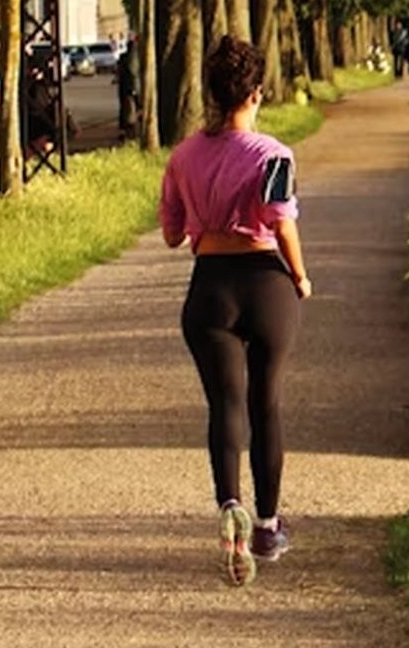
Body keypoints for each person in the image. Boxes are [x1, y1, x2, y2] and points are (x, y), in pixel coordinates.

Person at [159, 36, 311, 586]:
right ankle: (269, 527)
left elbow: (174, 234)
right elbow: (279, 219)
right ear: (255, 93)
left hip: (210, 288)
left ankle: (230, 507)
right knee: (265, 403)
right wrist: (299, 275)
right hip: (265, 282)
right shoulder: (273, 154)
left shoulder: (182, 156)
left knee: (224, 404)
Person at [117, 41, 139, 141]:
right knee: (131, 110)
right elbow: (132, 72)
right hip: (130, 88)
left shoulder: (123, 57)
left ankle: (126, 132)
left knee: (126, 110)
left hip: (124, 87)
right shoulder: (134, 57)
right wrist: (134, 88)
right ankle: (130, 133)